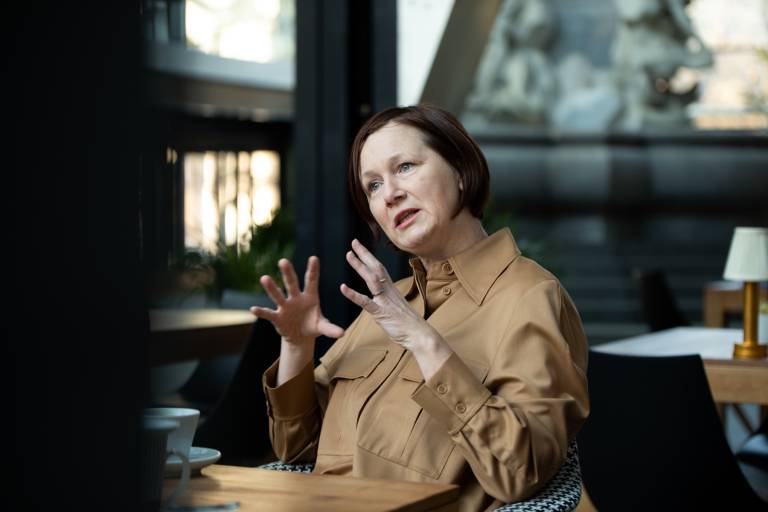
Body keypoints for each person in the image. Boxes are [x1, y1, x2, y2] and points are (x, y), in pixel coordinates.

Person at [251, 105, 589, 511]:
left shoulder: (530, 296)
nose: (389, 193)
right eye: (373, 185)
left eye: (405, 167)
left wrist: (425, 342)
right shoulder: (390, 301)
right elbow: (297, 447)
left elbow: (521, 471)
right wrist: (297, 347)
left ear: (461, 171)